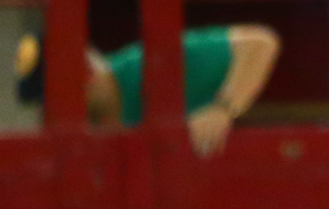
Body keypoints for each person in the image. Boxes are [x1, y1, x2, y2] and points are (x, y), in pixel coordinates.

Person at [15, 25, 280, 158]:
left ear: (87, 77)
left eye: (55, 96)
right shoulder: (80, 124)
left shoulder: (151, 65)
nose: (52, 109)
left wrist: (223, 110)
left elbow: (261, 44)